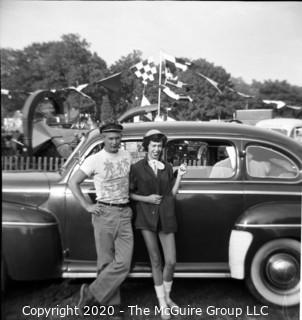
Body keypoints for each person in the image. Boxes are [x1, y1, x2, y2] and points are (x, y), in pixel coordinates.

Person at [68, 121, 133, 318]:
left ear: (121, 138)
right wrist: (88, 205)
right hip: (104, 212)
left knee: (123, 262)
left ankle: (90, 293)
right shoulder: (95, 159)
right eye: (110, 138)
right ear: (103, 138)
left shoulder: (127, 155)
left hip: (124, 212)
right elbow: (73, 182)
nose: (114, 142)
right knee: (106, 261)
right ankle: (112, 308)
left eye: (117, 138)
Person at [129, 129, 187, 320]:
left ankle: (168, 298)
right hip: (146, 218)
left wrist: (179, 176)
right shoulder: (136, 168)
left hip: (166, 217)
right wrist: (146, 198)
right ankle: (162, 302)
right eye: (153, 145)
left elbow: (172, 193)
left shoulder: (167, 167)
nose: (156, 149)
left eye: (159, 146)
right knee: (155, 260)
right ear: (146, 147)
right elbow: (128, 194)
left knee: (171, 261)